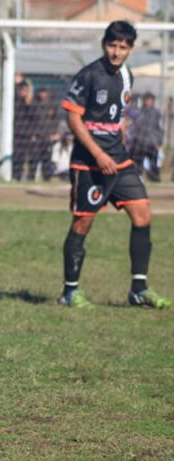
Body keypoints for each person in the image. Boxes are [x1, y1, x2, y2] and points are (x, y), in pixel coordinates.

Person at [60, 20, 170, 309]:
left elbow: (118, 116)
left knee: (142, 215)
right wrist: (98, 154)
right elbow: (73, 118)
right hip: (89, 162)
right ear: (104, 44)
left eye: (123, 47)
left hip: (119, 160)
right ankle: (70, 292)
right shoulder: (88, 75)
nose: (116, 52)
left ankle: (139, 289)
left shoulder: (127, 75)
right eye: (112, 45)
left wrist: (118, 143)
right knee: (83, 222)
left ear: (131, 49)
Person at [129, 92, 164, 182]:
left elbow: (161, 128)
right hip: (139, 142)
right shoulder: (139, 112)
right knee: (137, 162)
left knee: (153, 163)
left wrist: (159, 142)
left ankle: (154, 178)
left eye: (150, 100)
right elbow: (133, 126)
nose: (148, 102)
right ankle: (137, 177)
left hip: (152, 143)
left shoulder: (157, 113)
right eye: (147, 100)